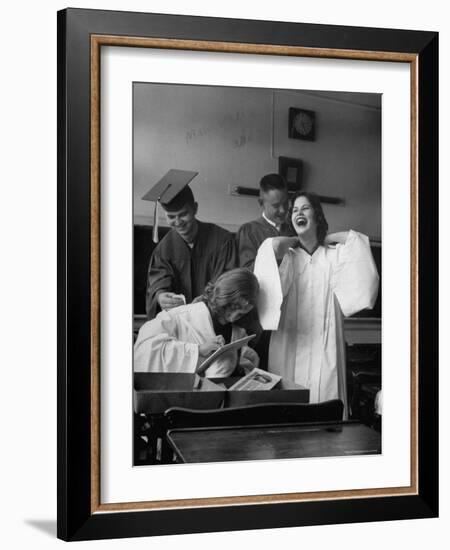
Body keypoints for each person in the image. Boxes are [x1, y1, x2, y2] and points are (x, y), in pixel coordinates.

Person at [254, 192, 379, 413]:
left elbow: (357, 250)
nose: (298, 213)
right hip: (291, 340)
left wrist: (329, 238)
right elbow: (271, 250)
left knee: (325, 401)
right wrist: (294, 240)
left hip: (325, 343)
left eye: (305, 208)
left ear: (317, 215)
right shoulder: (289, 257)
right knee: (289, 405)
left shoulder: (333, 256)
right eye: (294, 210)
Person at [134, 268, 260, 377]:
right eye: (232, 307)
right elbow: (143, 352)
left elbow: (236, 369)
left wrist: (241, 360)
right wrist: (197, 350)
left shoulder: (237, 330)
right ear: (223, 297)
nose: (233, 317)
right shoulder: (178, 317)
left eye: (241, 314)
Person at [144, 173, 237, 319]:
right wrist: (160, 296)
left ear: (195, 208)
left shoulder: (222, 240)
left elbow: (228, 280)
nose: (178, 221)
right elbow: (158, 281)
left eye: (183, 214)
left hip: (215, 321)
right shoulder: (164, 249)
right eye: (171, 216)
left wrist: (205, 301)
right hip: (181, 324)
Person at [236, 173, 295, 271]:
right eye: (276, 206)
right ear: (261, 203)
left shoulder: (294, 229)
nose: (283, 210)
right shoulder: (249, 231)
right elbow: (246, 272)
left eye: (285, 203)